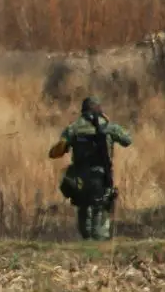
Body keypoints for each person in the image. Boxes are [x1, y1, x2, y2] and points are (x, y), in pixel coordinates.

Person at [48, 95, 133, 241]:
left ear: (82, 110)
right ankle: (99, 242)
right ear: (99, 109)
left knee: (83, 208)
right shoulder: (108, 127)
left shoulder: (73, 128)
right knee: (101, 208)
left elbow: (55, 153)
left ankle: (87, 241)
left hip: (80, 178)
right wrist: (107, 123)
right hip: (101, 176)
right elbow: (127, 140)